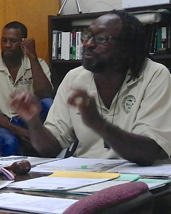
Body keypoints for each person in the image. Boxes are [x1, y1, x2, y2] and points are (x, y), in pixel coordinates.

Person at [10, 11, 171, 166]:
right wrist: (33, 121)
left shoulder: (155, 75)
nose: (88, 44)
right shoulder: (74, 78)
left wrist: (98, 124)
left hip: (145, 180)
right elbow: (50, 149)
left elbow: (148, 153)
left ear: (126, 46)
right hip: (88, 177)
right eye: (86, 36)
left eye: (101, 38)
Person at [0, 21, 54, 156]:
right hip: (0, 123)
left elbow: (46, 94)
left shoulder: (38, 64)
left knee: (49, 103)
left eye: (13, 41)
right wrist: (19, 131)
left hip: (29, 120)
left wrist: (32, 56)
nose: (7, 45)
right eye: (4, 40)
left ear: (23, 42)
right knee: (9, 141)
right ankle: (10, 175)